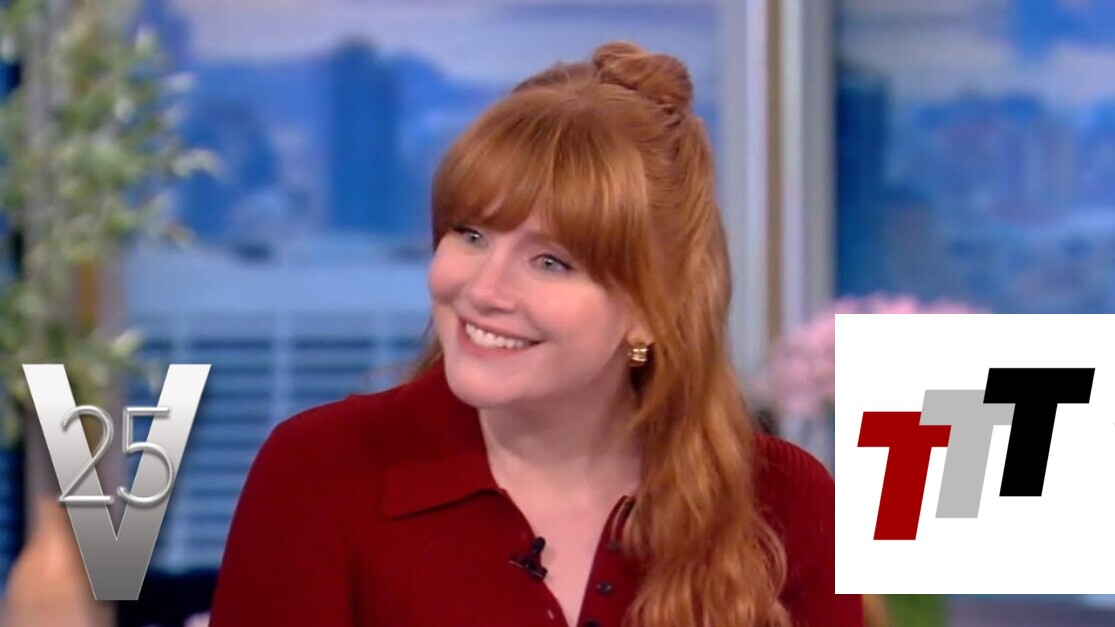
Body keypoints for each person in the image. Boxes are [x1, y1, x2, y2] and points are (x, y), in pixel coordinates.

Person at [209, 42, 863, 627]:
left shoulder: (784, 503)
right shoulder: (321, 474)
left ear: (651, 308)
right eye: (471, 234)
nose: (483, 289)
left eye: (550, 262)